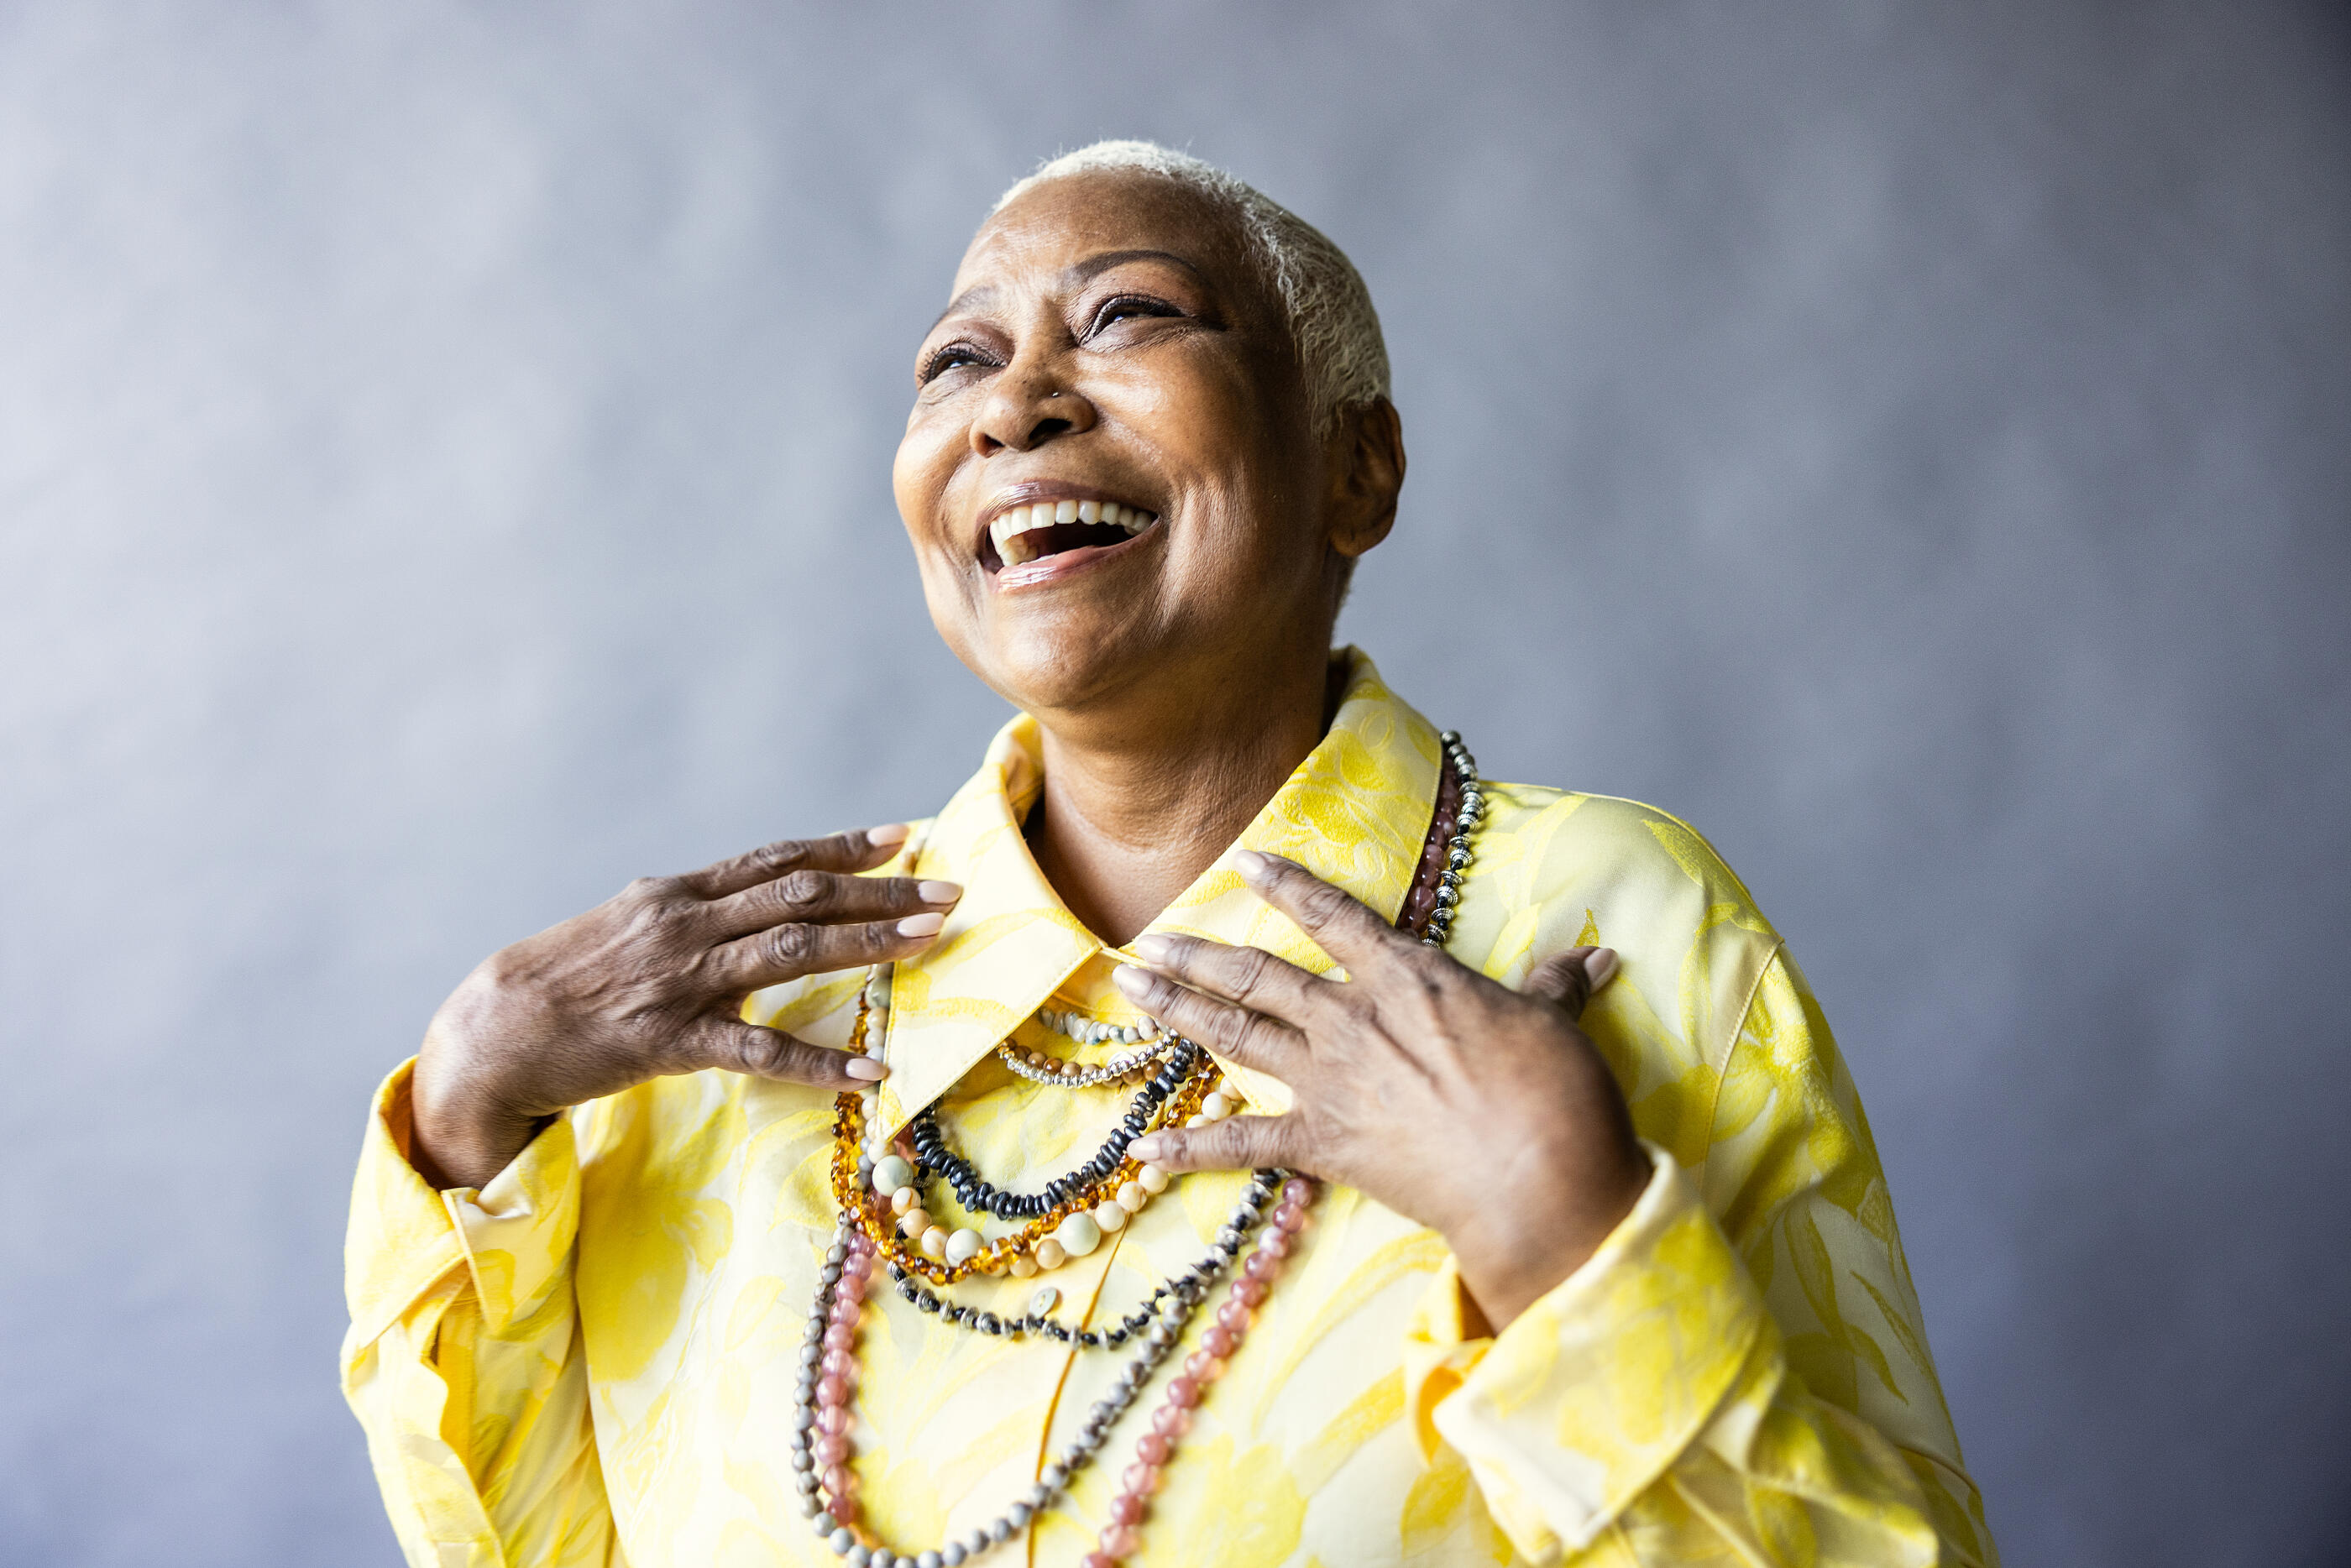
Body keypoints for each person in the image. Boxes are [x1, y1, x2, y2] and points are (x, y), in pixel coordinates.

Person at [343, 140, 1998, 1568]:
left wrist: (1558, 1235)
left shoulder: (1614, 923)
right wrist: (470, 1113)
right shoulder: (744, 1023)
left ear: (1358, 466)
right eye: (953, 362)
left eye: (1127, 317)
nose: (1013, 406)